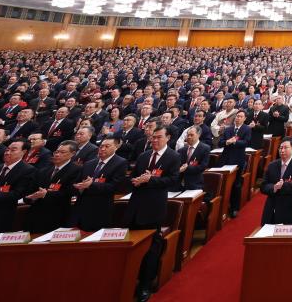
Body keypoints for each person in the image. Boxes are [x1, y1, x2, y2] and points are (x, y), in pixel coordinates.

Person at [126, 126, 180, 302]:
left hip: (154, 207)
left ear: (168, 137)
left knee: (150, 249)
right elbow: (134, 176)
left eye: (158, 137)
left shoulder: (173, 156)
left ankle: (145, 284)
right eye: (153, 137)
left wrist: (151, 179)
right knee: (132, 247)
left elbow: (173, 180)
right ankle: (130, 280)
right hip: (135, 205)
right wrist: (135, 181)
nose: (154, 140)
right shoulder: (143, 156)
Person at [24, 140, 82, 233]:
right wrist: (32, 197)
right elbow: (30, 190)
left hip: (58, 215)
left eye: (62, 152)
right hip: (36, 215)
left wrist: (46, 194)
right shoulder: (43, 171)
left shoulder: (76, 170)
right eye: (56, 152)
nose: (57, 155)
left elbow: (70, 192)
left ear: (73, 154)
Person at [72, 136, 128, 231]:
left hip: (101, 208)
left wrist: (92, 184)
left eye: (107, 146)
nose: (102, 149)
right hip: (82, 207)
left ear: (116, 147)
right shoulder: (89, 163)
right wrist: (79, 187)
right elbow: (77, 182)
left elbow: (115, 187)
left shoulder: (120, 163)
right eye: (101, 146)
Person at [260, 138, 292, 225]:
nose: (282, 150)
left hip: (288, 207)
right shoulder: (272, 165)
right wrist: (274, 187)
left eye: (285, 147)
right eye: (280, 148)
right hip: (271, 206)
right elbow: (263, 186)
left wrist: (283, 186)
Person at [219, 111, 251, 217]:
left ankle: (234, 208)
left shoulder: (246, 129)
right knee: (224, 184)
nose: (238, 118)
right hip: (226, 159)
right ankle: (222, 208)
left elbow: (246, 142)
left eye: (241, 116)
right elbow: (220, 142)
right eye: (237, 116)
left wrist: (234, 142)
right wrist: (226, 142)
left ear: (244, 119)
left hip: (238, 159)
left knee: (236, 184)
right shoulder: (228, 129)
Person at [178, 126, 210, 191]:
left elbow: (203, 166)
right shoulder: (181, 150)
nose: (189, 137)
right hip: (179, 185)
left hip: (195, 185)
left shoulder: (205, 148)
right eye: (188, 135)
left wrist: (187, 168)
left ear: (198, 135)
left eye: (191, 135)